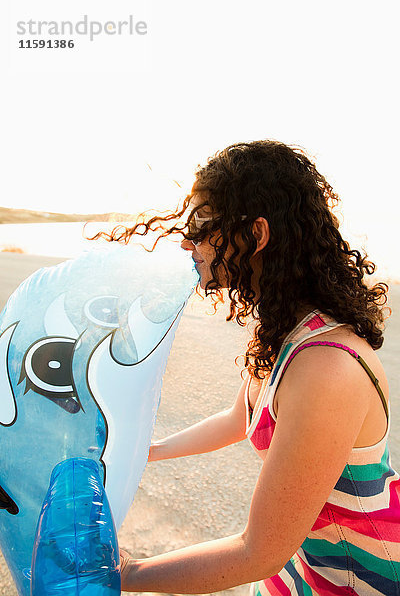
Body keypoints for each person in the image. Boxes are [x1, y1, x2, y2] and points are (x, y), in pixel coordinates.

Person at [108, 140, 399, 594]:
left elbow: (258, 552)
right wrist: (147, 451)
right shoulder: (288, 329)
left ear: (256, 234)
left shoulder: (326, 366)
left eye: (202, 224)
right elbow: (237, 418)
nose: (188, 242)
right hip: (304, 564)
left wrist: (126, 574)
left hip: (361, 576)